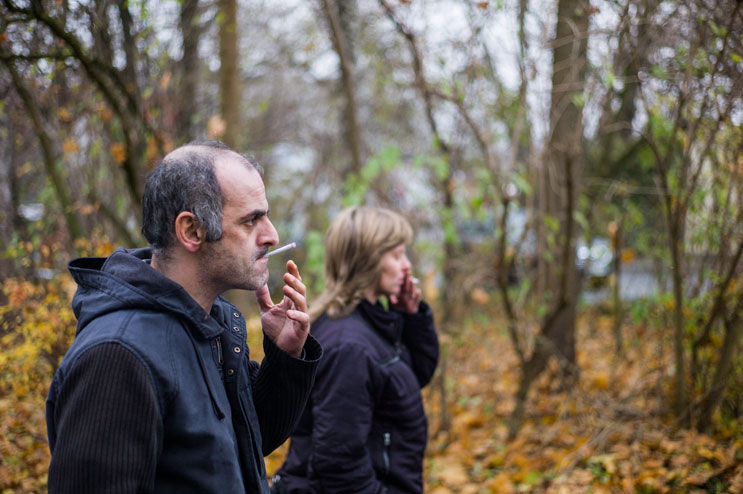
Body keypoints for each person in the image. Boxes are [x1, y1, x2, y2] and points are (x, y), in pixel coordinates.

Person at [46, 141, 322, 494]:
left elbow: (241, 448)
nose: (272, 235)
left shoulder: (212, 324)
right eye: (252, 220)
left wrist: (285, 357)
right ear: (191, 231)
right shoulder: (117, 355)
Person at [273, 206, 439, 494]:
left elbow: (413, 377)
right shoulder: (348, 345)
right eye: (397, 255)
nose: (407, 266)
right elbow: (338, 465)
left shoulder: (370, 321)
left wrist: (413, 318)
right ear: (368, 260)